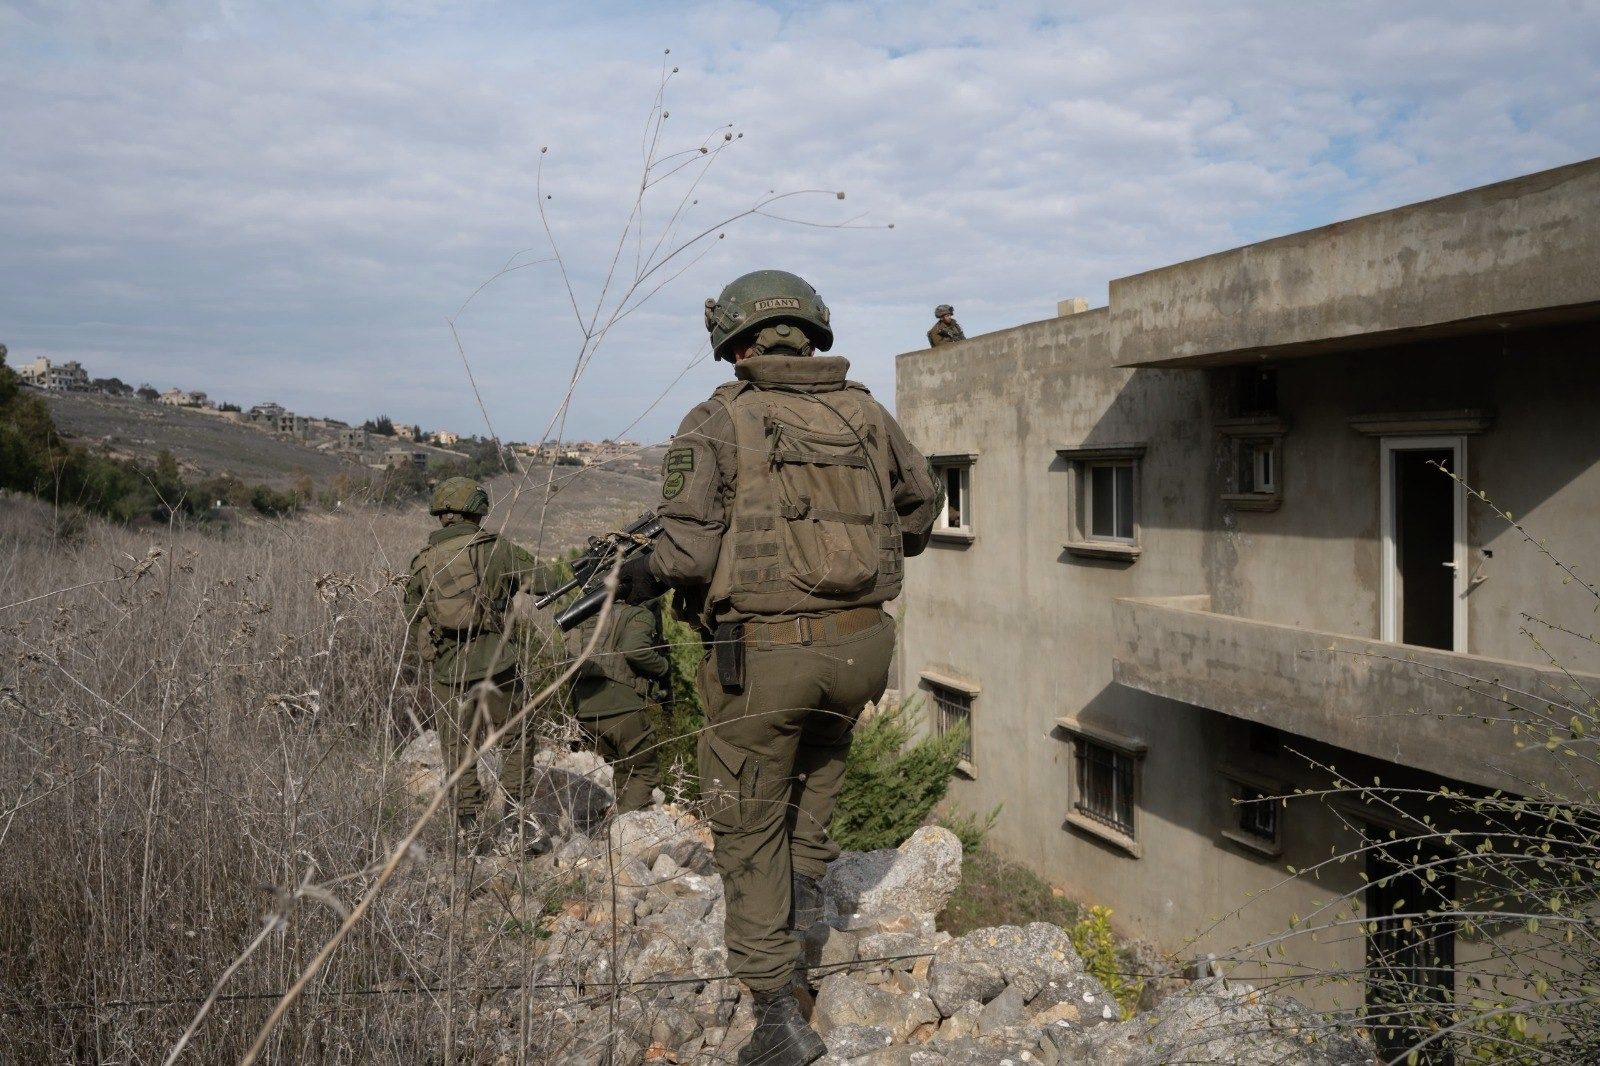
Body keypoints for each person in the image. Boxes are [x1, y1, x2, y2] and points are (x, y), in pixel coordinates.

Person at [625, 269, 939, 1066]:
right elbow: (922, 503)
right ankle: (798, 941)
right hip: (864, 649)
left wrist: (643, 574)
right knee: (814, 785)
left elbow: (689, 554)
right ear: (811, 333)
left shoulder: (719, 419)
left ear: (735, 342)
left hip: (766, 659)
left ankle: (773, 1013)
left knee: (747, 820)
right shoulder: (865, 411)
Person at [404, 476, 548, 857]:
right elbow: (546, 581)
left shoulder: (422, 563)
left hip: (449, 673)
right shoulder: (496, 550)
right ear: (477, 509)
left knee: (457, 749)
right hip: (499, 665)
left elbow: (411, 617)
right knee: (517, 739)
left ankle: (468, 830)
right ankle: (516, 825)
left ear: (442, 515)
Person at [567, 565, 671, 813]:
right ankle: (625, 830)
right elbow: (635, 650)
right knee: (644, 772)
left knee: (623, 767)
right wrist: (663, 666)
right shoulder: (636, 614)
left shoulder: (583, 618)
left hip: (585, 711)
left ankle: (619, 827)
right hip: (621, 706)